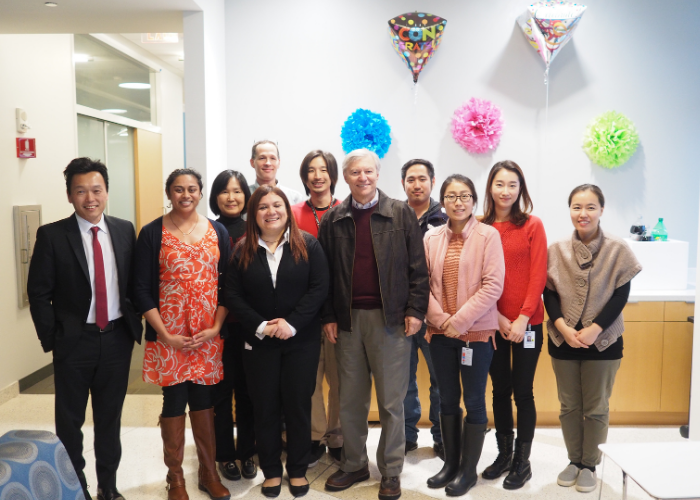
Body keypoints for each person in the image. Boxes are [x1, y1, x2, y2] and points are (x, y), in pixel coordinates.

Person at [27, 157, 143, 500]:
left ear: (106, 191)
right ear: (69, 195)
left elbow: (133, 284)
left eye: (96, 189)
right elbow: (39, 293)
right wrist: (53, 338)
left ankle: (109, 486)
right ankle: (75, 486)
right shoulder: (52, 235)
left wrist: (133, 323)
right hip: (74, 342)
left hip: (117, 339)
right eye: (81, 191)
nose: (90, 198)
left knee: (110, 419)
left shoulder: (124, 229)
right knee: (70, 422)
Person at [318, 149, 429, 500]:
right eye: (355, 172)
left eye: (368, 171)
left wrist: (415, 310)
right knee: (351, 400)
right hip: (347, 321)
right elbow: (324, 276)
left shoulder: (400, 213)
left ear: (378, 174)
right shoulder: (333, 219)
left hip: (391, 319)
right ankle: (354, 464)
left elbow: (418, 267)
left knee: (392, 402)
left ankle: (391, 470)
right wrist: (329, 316)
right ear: (346, 177)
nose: (362, 177)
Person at [226, 186, 329, 498]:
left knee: (298, 405)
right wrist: (261, 325)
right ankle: (271, 471)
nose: (270, 212)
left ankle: (297, 469)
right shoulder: (242, 249)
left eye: (277, 205)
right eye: (262, 207)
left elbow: (319, 287)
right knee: (265, 406)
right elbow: (232, 295)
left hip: (301, 341)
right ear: (253, 214)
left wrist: (291, 323)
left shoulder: (308, 244)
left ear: (287, 210)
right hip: (258, 343)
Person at [134, 168, 231, 500]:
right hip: (169, 336)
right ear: (169, 193)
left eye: (192, 189)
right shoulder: (152, 232)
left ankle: (208, 472)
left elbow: (228, 285)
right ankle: (175, 478)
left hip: (206, 334)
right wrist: (164, 334)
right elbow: (140, 289)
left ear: (201, 193)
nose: (185, 194)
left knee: (204, 400)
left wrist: (215, 328)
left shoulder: (218, 230)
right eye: (178, 189)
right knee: (174, 400)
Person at [544, 184, 641, 493]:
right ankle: (574, 461)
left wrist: (595, 328)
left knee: (596, 406)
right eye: (576, 207)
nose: (582, 213)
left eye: (590, 207)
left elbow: (620, 295)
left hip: (604, 341)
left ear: (601, 209)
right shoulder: (557, 248)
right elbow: (548, 293)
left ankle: (589, 464)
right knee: (569, 406)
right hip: (564, 340)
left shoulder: (617, 249)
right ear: (570, 210)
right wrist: (563, 327)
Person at [423, 174, 505, 496]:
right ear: (442, 201)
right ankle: (451, 464)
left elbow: (493, 285)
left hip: (476, 333)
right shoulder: (430, 238)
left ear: (474, 200)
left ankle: (468, 471)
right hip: (440, 332)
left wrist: (460, 321)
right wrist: (442, 320)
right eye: (452, 196)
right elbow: (422, 284)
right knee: (446, 397)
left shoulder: (488, 236)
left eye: (465, 196)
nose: (458, 202)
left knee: (473, 400)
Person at [480, 161, 547, 489]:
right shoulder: (480, 226)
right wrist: (497, 317)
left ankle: (523, 460)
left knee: (523, 391)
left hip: (527, 324)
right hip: (491, 323)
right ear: (490, 187)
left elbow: (538, 274)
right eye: (500, 184)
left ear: (521, 190)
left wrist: (522, 318)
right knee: (499, 390)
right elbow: (477, 278)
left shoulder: (532, 225)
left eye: (512, 185)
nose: (505, 191)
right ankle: (504, 454)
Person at [290, 150, 343, 466]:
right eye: (311, 170)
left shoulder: (347, 210)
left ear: (333, 175)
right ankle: (313, 436)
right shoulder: (292, 213)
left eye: (323, 170)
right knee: (308, 379)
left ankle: (337, 436)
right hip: (305, 311)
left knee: (340, 379)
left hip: (340, 311)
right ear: (304, 176)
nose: (317, 176)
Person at [209, 170, 258, 481]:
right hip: (216, 326)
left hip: (250, 323)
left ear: (246, 196)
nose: (231, 197)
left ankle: (248, 451)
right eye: (225, 191)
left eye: (238, 191)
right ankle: (225, 454)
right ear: (215, 196)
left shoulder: (255, 229)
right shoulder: (207, 230)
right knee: (221, 392)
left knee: (249, 390)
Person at [399, 159, 447, 458]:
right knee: (403, 381)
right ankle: (406, 435)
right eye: (410, 179)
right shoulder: (394, 215)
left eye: (422, 179)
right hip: (400, 313)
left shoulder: (446, 217)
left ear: (432, 181)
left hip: (436, 315)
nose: (417, 185)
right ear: (403, 183)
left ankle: (441, 436)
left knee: (440, 380)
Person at [249, 140, 304, 204]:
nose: (268, 163)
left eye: (273, 158)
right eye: (262, 158)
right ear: (252, 162)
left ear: (279, 163)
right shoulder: (244, 196)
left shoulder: (295, 199)